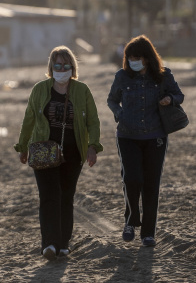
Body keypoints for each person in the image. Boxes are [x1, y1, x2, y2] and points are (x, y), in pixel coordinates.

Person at [14, 45, 103, 260]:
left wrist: (93, 146)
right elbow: (29, 119)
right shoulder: (39, 89)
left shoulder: (82, 90)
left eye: (66, 65)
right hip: (44, 151)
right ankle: (49, 245)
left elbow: (93, 121)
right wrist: (22, 146)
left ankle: (63, 244)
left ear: (72, 67)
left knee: (65, 196)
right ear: (51, 67)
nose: (61, 68)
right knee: (48, 196)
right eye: (57, 65)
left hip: (73, 152)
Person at [106, 35, 184, 247]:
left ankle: (148, 233)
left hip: (155, 137)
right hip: (127, 136)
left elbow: (179, 94)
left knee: (151, 185)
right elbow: (111, 100)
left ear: (147, 58)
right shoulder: (122, 76)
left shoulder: (163, 75)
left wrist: (171, 99)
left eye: (137, 57)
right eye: (130, 57)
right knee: (132, 179)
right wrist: (119, 113)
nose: (133, 61)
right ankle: (131, 220)